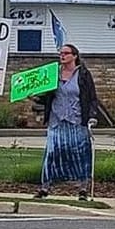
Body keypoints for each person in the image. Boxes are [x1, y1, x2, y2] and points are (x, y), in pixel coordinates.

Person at [33, 43, 99, 200]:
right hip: (56, 120)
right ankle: (45, 187)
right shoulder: (53, 73)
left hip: (76, 120)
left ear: (74, 56)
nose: (62, 56)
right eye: (61, 53)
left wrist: (92, 116)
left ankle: (83, 188)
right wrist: (34, 97)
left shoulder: (83, 74)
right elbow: (46, 96)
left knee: (81, 153)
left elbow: (91, 98)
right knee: (51, 153)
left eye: (66, 53)